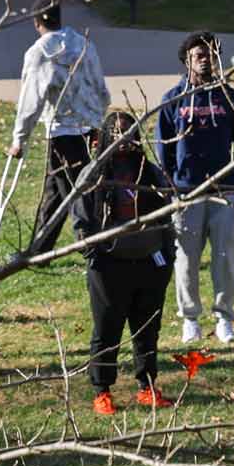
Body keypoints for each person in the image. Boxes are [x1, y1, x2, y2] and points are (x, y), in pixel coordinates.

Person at [157, 31, 234, 349]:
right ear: (186, 60)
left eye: (211, 54)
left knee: (225, 257)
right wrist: (170, 189)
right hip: (187, 192)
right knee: (185, 259)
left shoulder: (230, 97)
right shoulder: (172, 99)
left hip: (225, 190)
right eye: (199, 54)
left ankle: (224, 316)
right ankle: (190, 319)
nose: (205, 59)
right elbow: (164, 151)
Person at [72, 112, 174, 415]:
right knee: (107, 327)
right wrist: (95, 253)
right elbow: (81, 220)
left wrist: (166, 255)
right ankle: (102, 390)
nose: (123, 138)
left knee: (147, 327)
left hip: (149, 263)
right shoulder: (93, 175)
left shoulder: (151, 173)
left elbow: (169, 215)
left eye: (129, 132)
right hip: (109, 265)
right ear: (104, 137)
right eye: (116, 133)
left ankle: (147, 385)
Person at [8, 6, 109, 251]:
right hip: (89, 127)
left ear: (35, 23)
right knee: (57, 190)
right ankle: (41, 247)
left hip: (64, 130)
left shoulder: (40, 52)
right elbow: (100, 86)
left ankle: (91, 244)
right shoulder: (84, 44)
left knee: (76, 192)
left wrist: (19, 138)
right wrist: (98, 117)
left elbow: (31, 100)